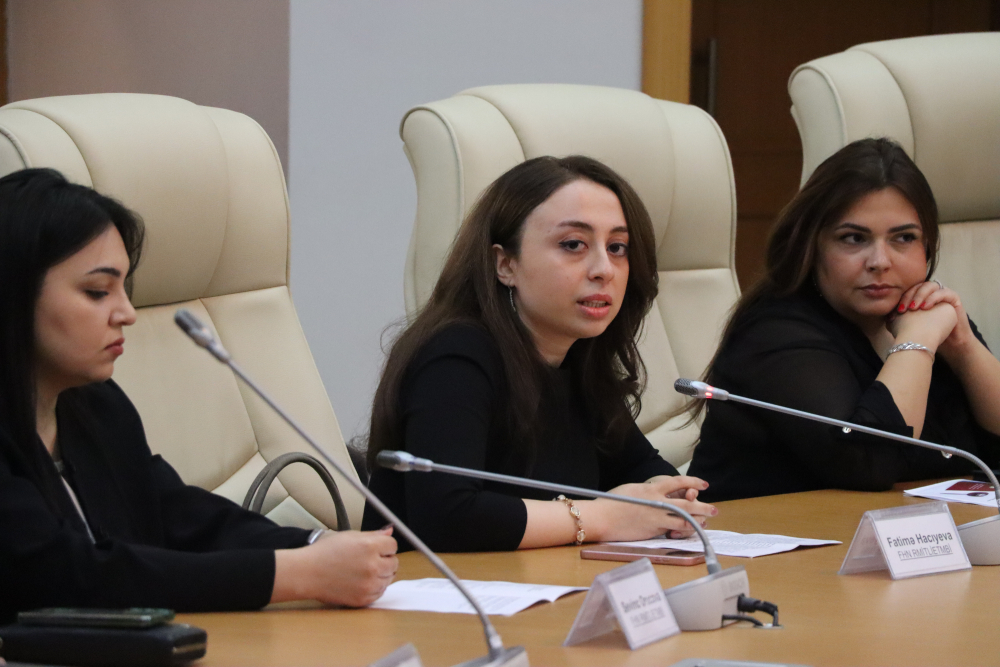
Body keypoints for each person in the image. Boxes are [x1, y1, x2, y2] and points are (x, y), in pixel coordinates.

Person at [0, 168, 397, 624]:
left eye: (124, 289)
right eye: (97, 292)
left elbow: (176, 514)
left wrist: (313, 545)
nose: (127, 313)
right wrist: (297, 574)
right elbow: (69, 575)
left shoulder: (95, 404)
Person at [361, 155, 717, 552]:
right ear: (505, 265)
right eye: (573, 245)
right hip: (432, 586)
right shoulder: (456, 355)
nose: (604, 269)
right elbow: (447, 516)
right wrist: (604, 517)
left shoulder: (578, 362)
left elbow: (642, 468)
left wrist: (666, 497)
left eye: (618, 247)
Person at [687, 138, 1000, 501]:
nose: (879, 261)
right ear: (812, 245)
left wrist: (964, 348)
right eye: (854, 238)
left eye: (903, 238)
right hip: (766, 534)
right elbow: (870, 462)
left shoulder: (927, 316)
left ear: (927, 247)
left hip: (914, 531)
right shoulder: (775, 332)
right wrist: (917, 344)